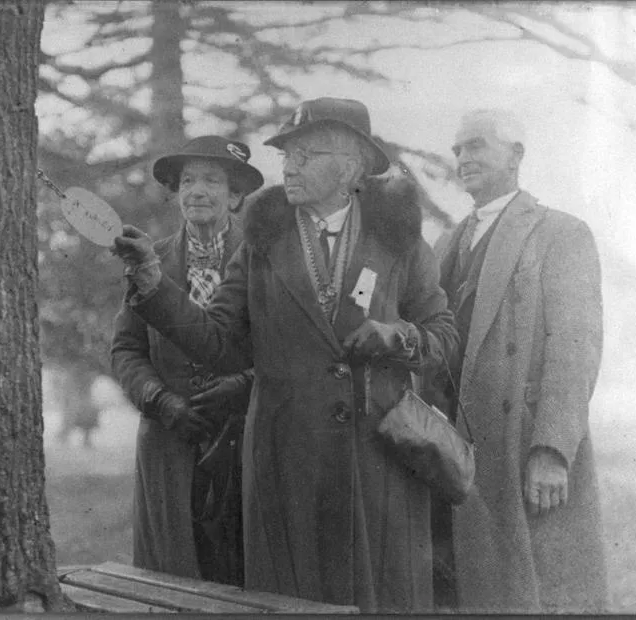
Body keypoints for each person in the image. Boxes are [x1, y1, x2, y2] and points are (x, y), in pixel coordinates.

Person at [110, 97, 458, 613]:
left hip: (379, 463)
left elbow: (443, 334)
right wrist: (154, 282)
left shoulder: (397, 238)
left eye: (305, 154)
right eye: (285, 154)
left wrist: (398, 336)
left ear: (351, 166)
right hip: (283, 463)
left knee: (383, 600)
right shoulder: (263, 239)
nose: (288, 166)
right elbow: (219, 342)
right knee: (290, 601)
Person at [438, 108, 607, 612]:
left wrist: (552, 449)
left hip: (519, 449)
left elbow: (575, 349)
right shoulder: (447, 240)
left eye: (476, 146)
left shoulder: (560, 233)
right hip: (454, 450)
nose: (463, 158)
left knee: (529, 595)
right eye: (457, 150)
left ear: (515, 155)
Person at [110, 135, 264, 586]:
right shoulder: (149, 260)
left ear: (235, 196)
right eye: (188, 181)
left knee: (243, 573)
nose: (196, 191)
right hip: (170, 443)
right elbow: (126, 348)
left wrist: (244, 385)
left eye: (212, 181)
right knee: (172, 575)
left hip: (243, 440)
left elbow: (285, 348)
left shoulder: (263, 260)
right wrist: (160, 401)